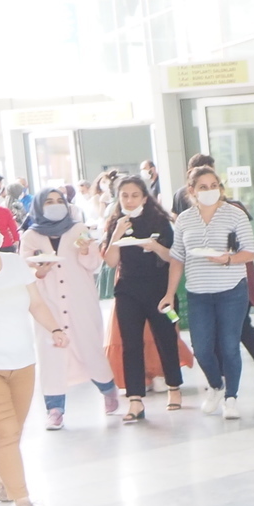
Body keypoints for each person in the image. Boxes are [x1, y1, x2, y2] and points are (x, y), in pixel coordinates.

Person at [0, 206, 72, 506]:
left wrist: (55, 329)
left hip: (22, 363)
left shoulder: (14, 263)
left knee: (14, 432)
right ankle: (22, 499)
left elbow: (36, 303)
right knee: (5, 432)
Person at [165, 165, 254, 419]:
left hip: (231, 291)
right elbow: (177, 258)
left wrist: (228, 259)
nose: (209, 191)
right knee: (202, 349)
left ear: (220, 188)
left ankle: (231, 398)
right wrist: (169, 293)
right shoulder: (184, 219)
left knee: (229, 346)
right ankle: (216, 386)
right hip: (198, 293)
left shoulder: (234, 214)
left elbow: (250, 251)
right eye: (203, 187)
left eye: (214, 186)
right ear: (192, 190)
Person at [20, 188, 117, 428]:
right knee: (51, 355)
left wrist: (84, 250)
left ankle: (108, 390)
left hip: (80, 301)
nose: (55, 205)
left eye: (59, 201)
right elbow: (25, 270)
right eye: (49, 201)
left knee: (89, 348)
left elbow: (94, 265)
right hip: (48, 303)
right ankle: (55, 409)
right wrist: (39, 271)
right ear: (38, 207)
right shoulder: (30, 236)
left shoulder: (78, 229)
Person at [104, 175, 184, 421]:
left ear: (145, 197)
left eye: (134, 195)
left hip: (159, 288)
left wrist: (155, 247)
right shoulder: (115, 223)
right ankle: (135, 399)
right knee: (131, 344)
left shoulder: (159, 221)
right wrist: (117, 234)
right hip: (128, 289)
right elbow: (110, 262)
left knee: (166, 338)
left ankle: (174, 387)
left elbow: (174, 257)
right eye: (124, 196)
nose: (129, 200)